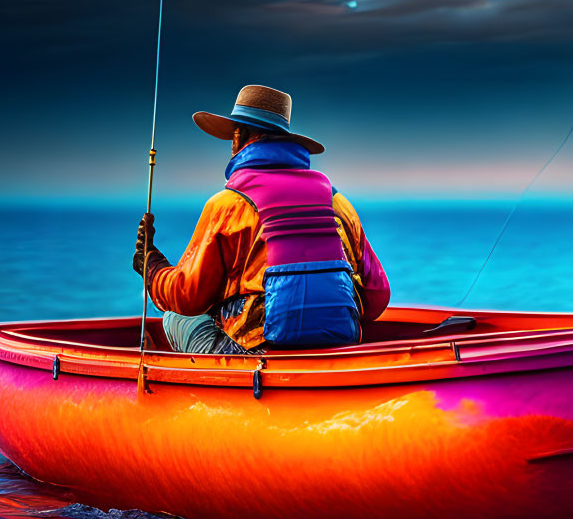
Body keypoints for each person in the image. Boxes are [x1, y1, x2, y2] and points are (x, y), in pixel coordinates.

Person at [133, 85, 389, 354]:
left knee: (176, 317)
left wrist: (152, 267)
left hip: (258, 356)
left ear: (238, 137)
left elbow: (187, 296)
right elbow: (378, 295)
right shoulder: (337, 202)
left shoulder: (228, 204)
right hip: (338, 349)